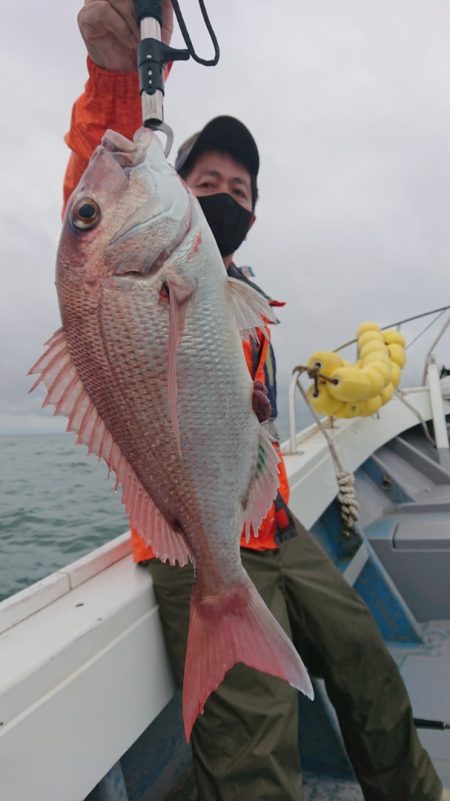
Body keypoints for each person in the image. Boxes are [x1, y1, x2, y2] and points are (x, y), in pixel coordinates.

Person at [64, 3, 447, 800]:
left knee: (372, 674)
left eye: (240, 188)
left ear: (255, 212)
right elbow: (90, 209)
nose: (224, 195)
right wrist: (113, 73)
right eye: (207, 182)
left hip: (274, 525)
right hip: (194, 535)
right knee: (249, 749)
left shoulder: (240, 296)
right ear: (174, 183)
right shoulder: (131, 269)